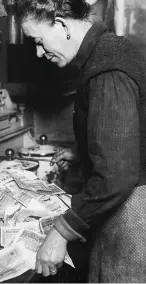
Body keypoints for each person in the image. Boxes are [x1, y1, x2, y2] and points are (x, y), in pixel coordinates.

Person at [13, 0, 146, 282]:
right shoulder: (112, 49)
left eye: (38, 41)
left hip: (133, 211)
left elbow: (117, 176)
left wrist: (61, 231)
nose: (38, 53)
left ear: (61, 24)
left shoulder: (106, 70)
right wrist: (84, 152)